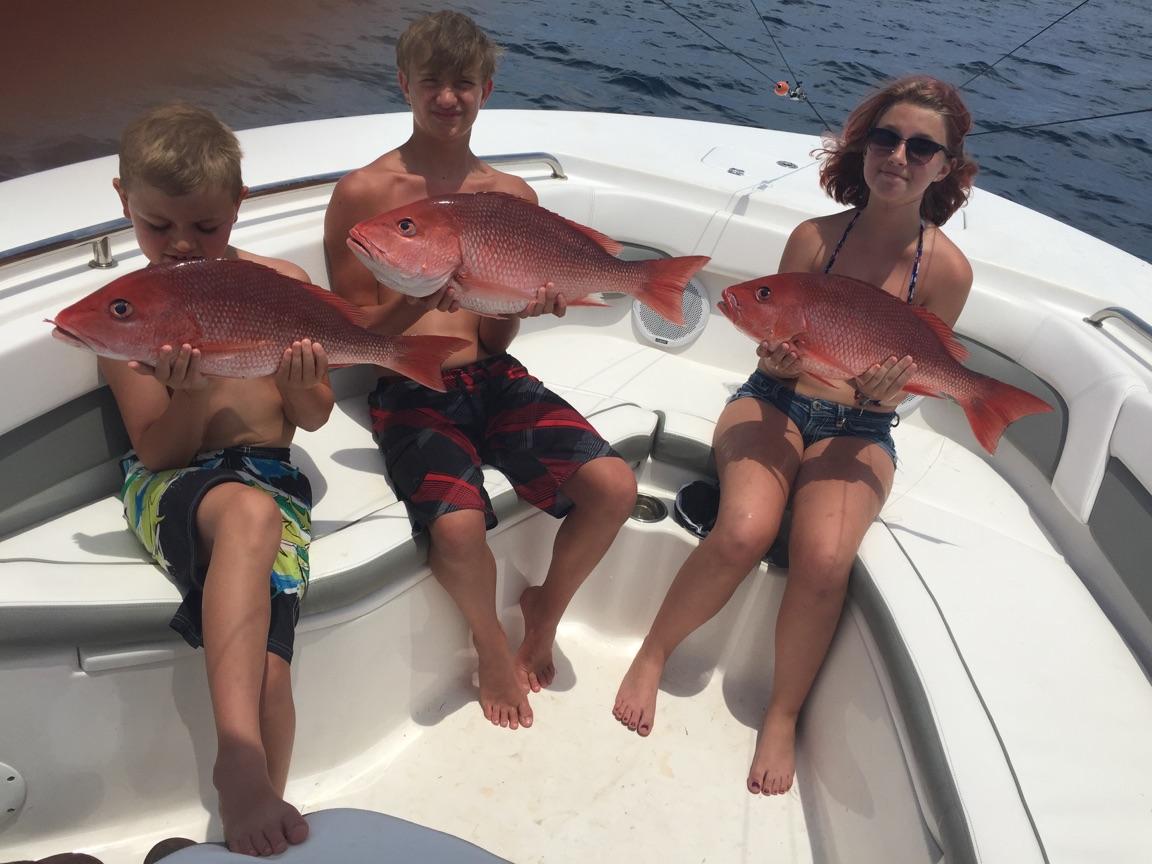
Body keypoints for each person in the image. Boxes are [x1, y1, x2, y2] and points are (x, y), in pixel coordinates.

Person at [613, 76, 977, 795]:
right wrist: (774, 358)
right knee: (743, 530)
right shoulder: (813, 238)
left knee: (823, 560)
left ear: (945, 167)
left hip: (864, 424)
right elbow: (773, 326)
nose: (898, 156)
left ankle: (781, 714)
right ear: (862, 146)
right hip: (775, 401)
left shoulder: (947, 271)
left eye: (920, 146)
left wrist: (890, 389)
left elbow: (924, 364)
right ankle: (654, 653)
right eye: (885, 137)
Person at [324, 11, 636, 731]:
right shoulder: (365, 197)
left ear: (486, 90)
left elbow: (495, 339)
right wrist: (416, 300)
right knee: (459, 530)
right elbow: (349, 334)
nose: (447, 98)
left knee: (615, 485)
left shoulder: (509, 199)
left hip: (494, 378)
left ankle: (544, 610)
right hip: (410, 382)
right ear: (404, 84)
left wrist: (525, 303)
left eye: (462, 83)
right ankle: (490, 642)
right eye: (431, 81)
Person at [104, 103, 330, 855]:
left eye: (204, 228)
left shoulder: (283, 285)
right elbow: (159, 454)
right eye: (157, 225)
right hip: (171, 483)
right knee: (248, 517)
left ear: (237, 207)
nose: (179, 246)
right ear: (123, 205)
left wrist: (301, 381)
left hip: (269, 476)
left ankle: (256, 813)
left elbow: (315, 417)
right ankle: (239, 761)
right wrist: (193, 392)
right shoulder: (125, 316)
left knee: (272, 673)